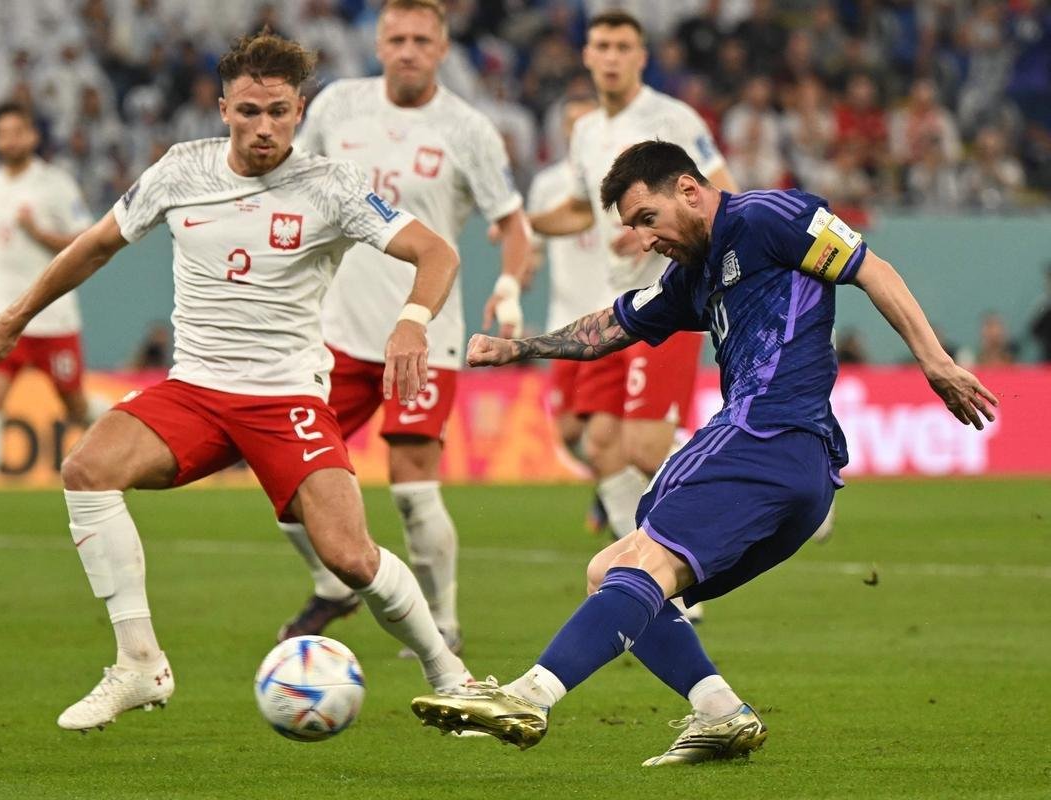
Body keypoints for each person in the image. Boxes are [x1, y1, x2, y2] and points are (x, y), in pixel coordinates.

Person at [411, 140, 997, 765]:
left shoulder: (769, 217)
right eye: (632, 227)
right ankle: (719, 712)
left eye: (646, 218)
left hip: (766, 433)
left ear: (688, 190)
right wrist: (520, 349)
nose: (642, 238)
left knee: (641, 563)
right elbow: (611, 327)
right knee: (611, 572)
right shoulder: (694, 276)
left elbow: (872, 268)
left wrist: (935, 363)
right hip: (800, 470)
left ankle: (530, 695)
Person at [0, 32, 471, 733]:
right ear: (221, 109)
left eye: (276, 112)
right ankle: (138, 662)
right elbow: (95, 245)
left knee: (350, 556)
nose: (262, 127)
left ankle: (452, 677)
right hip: (195, 390)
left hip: (286, 396)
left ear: (299, 109)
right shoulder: (181, 171)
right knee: (87, 470)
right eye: (246, 112)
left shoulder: (333, 186)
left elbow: (435, 252)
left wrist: (412, 321)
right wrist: (16, 317)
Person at [273, 0, 531, 656]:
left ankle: (441, 622)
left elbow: (512, 222)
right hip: (333, 329)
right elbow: (291, 188)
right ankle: (331, 586)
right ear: (378, 43)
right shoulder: (336, 109)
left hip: (423, 331)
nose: (408, 49)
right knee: (286, 475)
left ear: (442, 48)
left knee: (414, 492)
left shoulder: (468, 129)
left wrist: (508, 283)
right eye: (396, 38)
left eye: (421, 39)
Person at [527, 10, 739, 621]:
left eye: (624, 46)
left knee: (645, 445)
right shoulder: (588, 131)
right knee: (601, 444)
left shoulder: (674, 119)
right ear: (587, 57)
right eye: (602, 46)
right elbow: (576, 211)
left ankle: (759, 467)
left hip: (669, 298)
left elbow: (723, 194)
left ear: (641, 56)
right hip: (618, 309)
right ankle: (653, 584)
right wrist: (521, 222)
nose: (613, 56)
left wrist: (661, 228)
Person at [0, 102, 98, 535]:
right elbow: (5, 236)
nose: (9, 140)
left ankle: (134, 420)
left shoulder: (54, 183)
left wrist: (40, 235)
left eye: (17, 131)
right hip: (1, 315)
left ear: (32, 136)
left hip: (52, 318)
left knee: (76, 407)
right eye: (1, 133)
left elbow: (86, 239)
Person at [526, 94, 611, 525]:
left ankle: (621, 496)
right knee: (569, 433)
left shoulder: (617, 178)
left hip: (611, 321)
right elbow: (534, 249)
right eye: (571, 123)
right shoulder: (547, 185)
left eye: (586, 122)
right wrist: (516, 279)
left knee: (605, 435)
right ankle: (610, 486)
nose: (578, 132)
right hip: (565, 323)